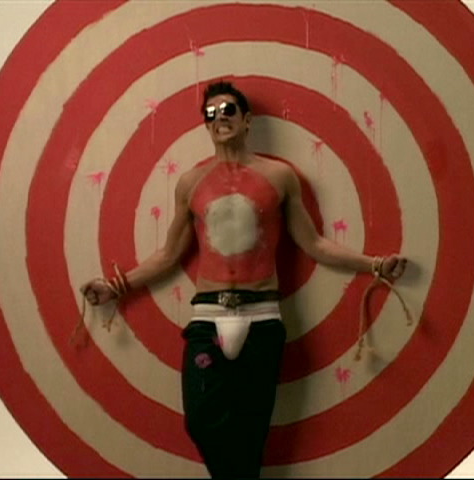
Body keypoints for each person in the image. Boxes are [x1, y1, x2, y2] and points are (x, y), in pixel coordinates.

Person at [80, 81, 407, 479]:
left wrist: (375, 264)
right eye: (211, 114)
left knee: (251, 432)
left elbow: (314, 244)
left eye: (228, 110)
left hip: (262, 317)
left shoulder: (280, 176)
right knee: (200, 421)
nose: (220, 118)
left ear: (247, 120)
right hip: (207, 318)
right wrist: (114, 287)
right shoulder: (190, 183)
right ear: (206, 124)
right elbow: (168, 254)